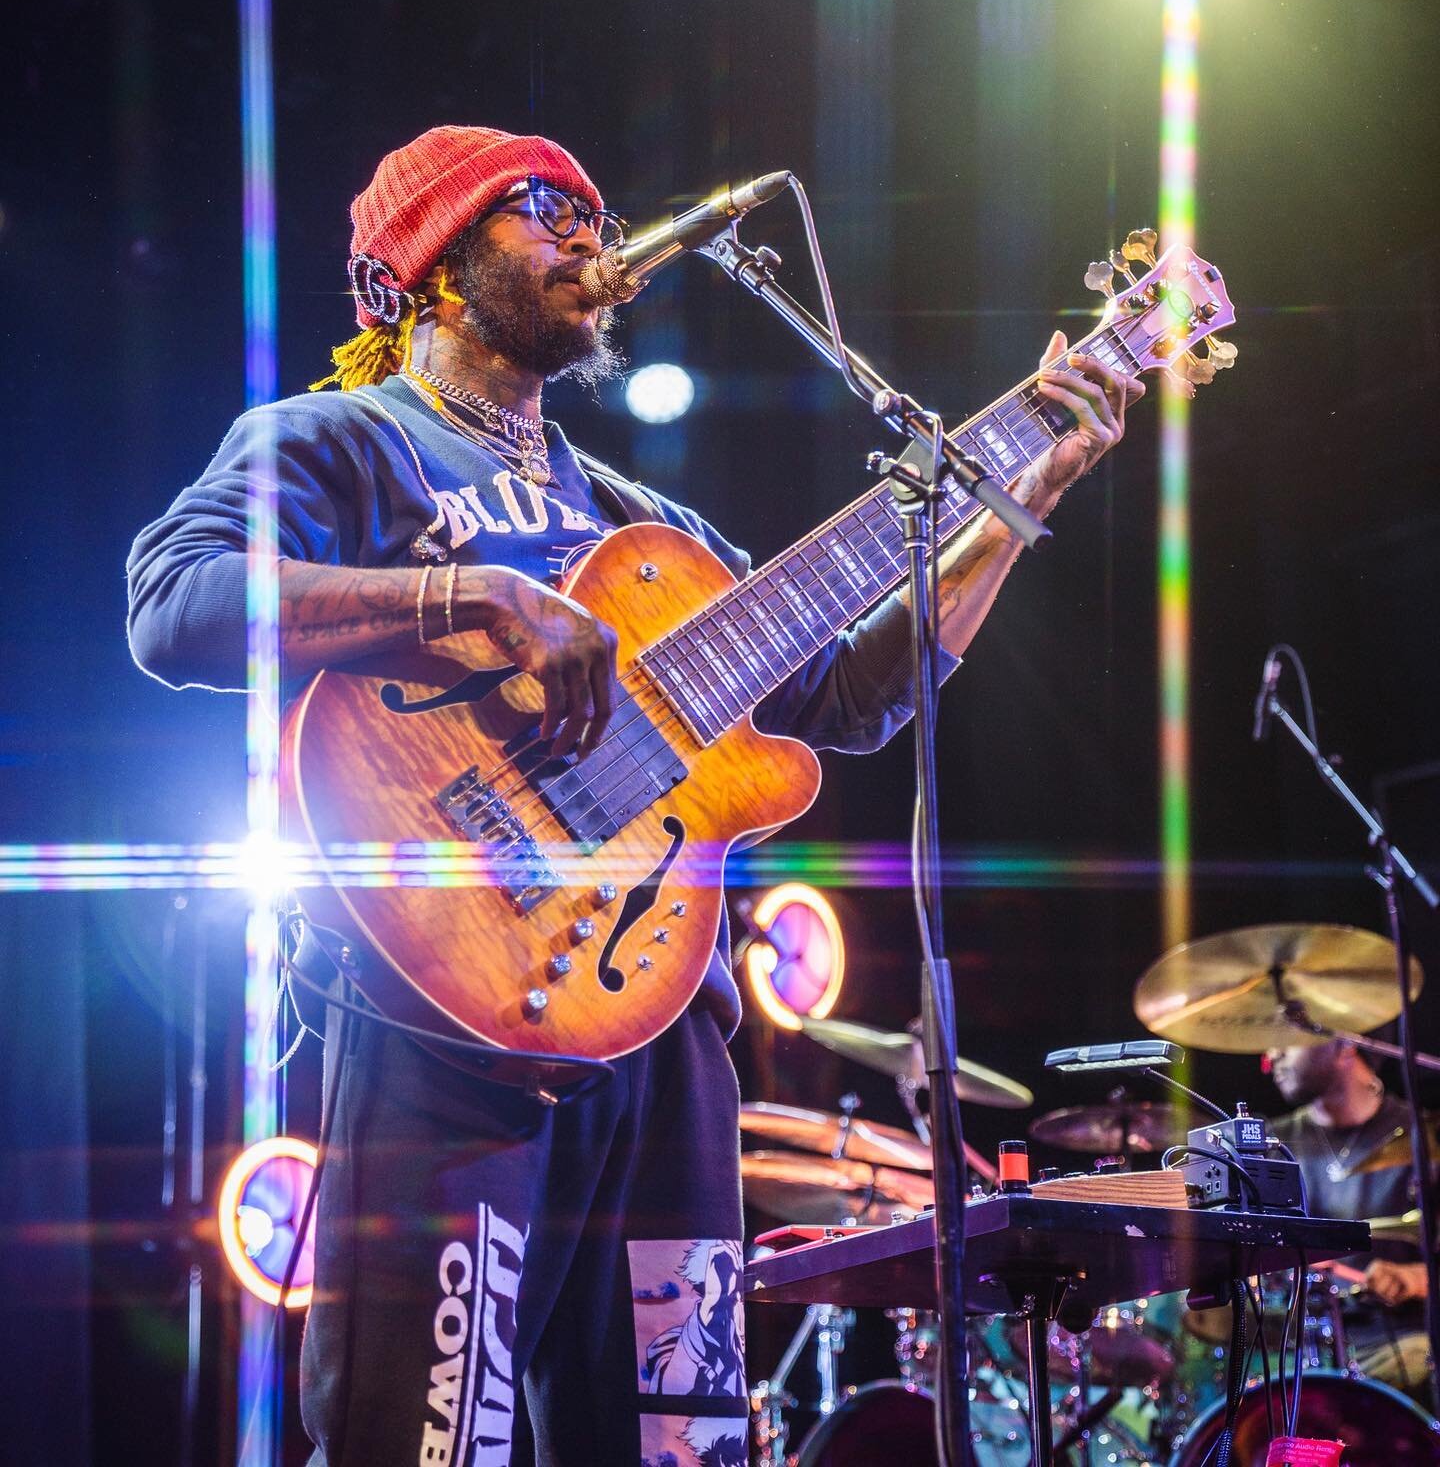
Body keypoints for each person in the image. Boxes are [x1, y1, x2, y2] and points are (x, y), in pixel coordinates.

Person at [127, 124, 1142, 1466]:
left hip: (664, 1043)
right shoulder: (343, 442)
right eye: (542, 208)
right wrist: (471, 593)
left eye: (594, 215)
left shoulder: (641, 523)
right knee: (430, 1444)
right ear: (428, 262)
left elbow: (848, 700)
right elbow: (174, 606)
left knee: (684, 1444)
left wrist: (1012, 496)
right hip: (445, 1029)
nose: (589, 235)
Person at [1269, 1037, 1432, 1398]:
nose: (1273, 1052)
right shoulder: (1270, 1145)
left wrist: (1416, 1278)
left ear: (1344, 1044)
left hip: (1404, 1339)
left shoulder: (1425, 1139)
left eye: (1285, 1039)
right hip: (1297, 1350)